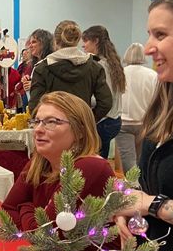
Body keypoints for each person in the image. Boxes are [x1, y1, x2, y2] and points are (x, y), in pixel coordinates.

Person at [2, 91, 116, 251]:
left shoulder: (90, 167)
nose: (38, 129)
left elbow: (44, 235)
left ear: (79, 131)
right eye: (37, 121)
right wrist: (29, 212)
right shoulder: (40, 163)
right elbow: (6, 212)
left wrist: (24, 206)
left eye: (52, 122)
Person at [115, 0, 173, 251]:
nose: (149, 47)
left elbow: (150, 197)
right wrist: (129, 207)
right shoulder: (162, 105)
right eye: (149, 34)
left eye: (160, 35)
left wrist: (150, 204)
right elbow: (146, 185)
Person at [28, 20, 112, 124]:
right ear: (77, 40)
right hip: (82, 128)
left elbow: (34, 106)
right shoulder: (94, 67)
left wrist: (47, 122)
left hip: (53, 129)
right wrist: (88, 120)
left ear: (55, 41)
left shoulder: (42, 68)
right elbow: (106, 102)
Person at [82, 25, 126, 159]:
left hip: (104, 121)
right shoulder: (112, 63)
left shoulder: (99, 65)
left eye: (86, 41)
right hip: (114, 120)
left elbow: (104, 98)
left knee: (96, 164)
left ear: (95, 41)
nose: (83, 46)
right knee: (102, 161)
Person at [117, 43, 158, 172]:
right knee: (141, 161)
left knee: (128, 163)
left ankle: (132, 190)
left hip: (123, 123)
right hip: (144, 123)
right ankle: (141, 189)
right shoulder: (153, 75)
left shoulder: (120, 73)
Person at [21, 29, 54, 93]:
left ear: (44, 43)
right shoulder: (35, 64)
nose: (30, 46)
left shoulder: (51, 64)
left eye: (34, 42)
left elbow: (53, 88)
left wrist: (34, 85)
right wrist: (29, 80)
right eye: (30, 43)